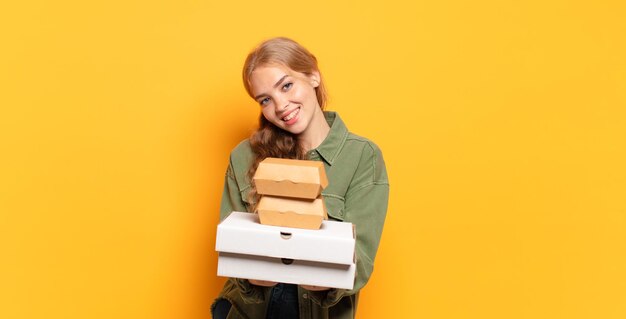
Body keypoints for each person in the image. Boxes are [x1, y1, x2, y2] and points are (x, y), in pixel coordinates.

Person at [212, 37, 389, 319]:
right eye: (266, 100)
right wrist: (250, 273)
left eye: (286, 85)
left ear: (313, 76)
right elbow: (231, 246)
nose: (280, 106)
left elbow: (362, 260)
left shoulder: (362, 157)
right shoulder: (243, 156)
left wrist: (328, 273)